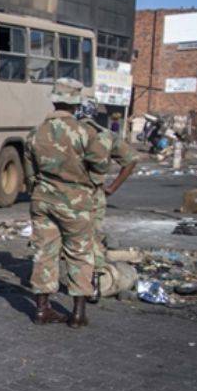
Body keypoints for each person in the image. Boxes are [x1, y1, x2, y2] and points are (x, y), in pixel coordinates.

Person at [24, 78, 112, 328]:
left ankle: (41, 310)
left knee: (44, 253)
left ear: (54, 100)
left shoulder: (35, 132)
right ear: (76, 103)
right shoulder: (86, 132)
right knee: (80, 254)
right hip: (76, 202)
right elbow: (101, 165)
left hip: (42, 200)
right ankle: (77, 314)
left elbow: (29, 173)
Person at [75, 99, 140, 294]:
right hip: (95, 194)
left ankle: (70, 281)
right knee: (92, 238)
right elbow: (131, 159)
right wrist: (112, 188)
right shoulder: (106, 135)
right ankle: (97, 282)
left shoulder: (66, 133)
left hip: (67, 194)